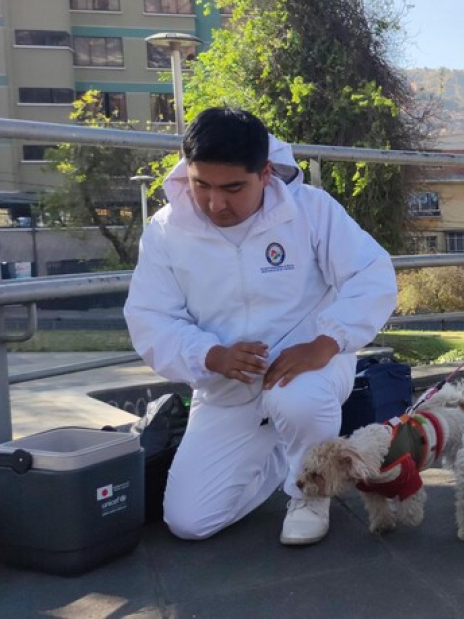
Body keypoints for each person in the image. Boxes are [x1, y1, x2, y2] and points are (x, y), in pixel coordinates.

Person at [124, 108, 397, 545]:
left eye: (233, 188)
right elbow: (150, 316)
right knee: (189, 522)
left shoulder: (310, 210)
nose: (216, 204)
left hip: (309, 370)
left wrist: (326, 343)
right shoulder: (165, 231)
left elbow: (372, 274)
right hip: (225, 387)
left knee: (297, 401)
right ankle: (286, 457)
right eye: (201, 185)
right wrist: (210, 355)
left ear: (265, 172)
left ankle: (310, 492)